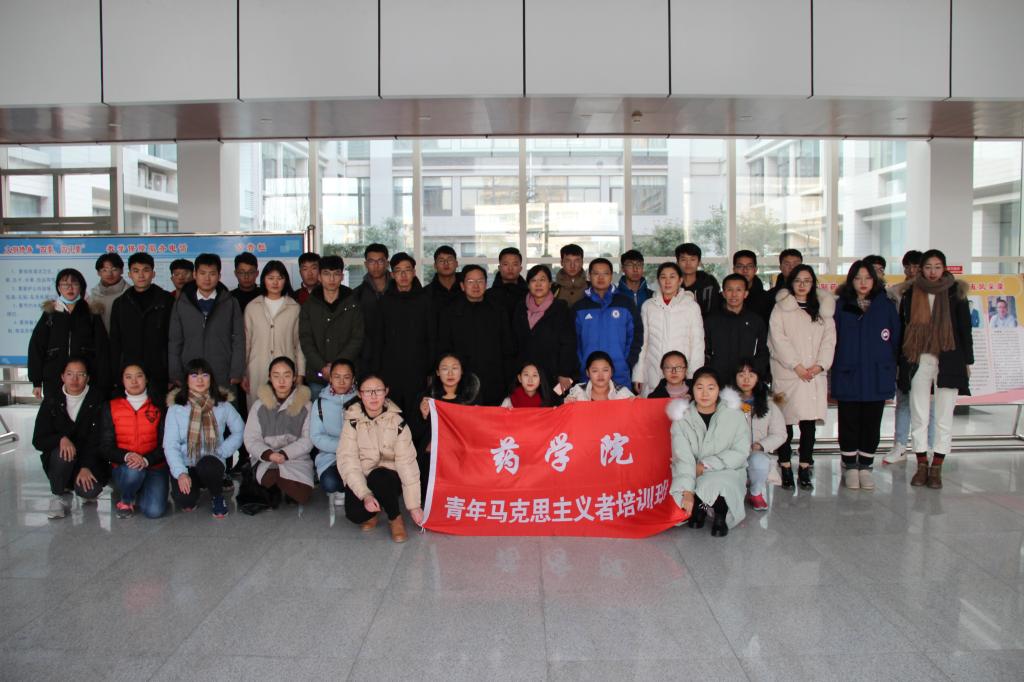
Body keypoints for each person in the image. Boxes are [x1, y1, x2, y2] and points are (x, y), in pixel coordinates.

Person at [898, 249, 972, 490]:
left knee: (943, 416)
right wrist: (900, 362)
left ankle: (937, 467)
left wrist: (967, 362)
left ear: (944, 268)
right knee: (919, 415)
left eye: (937, 267)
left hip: (949, 358)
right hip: (918, 358)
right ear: (921, 269)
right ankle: (921, 465)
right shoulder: (911, 292)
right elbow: (903, 328)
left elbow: (964, 329)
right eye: (928, 267)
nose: (932, 272)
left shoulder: (955, 292)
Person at [833, 261, 901, 491]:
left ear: (875, 280)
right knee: (848, 422)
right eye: (858, 278)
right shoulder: (841, 305)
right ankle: (850, 467)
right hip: (848, 374)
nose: (863, 283)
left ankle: (866, 467)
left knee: (872, 423)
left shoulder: (885, 305)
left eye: (868, 278)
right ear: (851, 280)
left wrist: (890, 367)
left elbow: (895, 340)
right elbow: (832, 339)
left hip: (876, 375)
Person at [768, 264, 836, 489]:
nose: (802, 285)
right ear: (791, 283)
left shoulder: (824, 310)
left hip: (813, 375)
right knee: (784, 423)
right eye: (798, 280)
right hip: (788, 373)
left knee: (809, 424)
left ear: (813, 283)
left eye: (807, 280)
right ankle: (785, 465)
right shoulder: (781, 308)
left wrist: (820, 366)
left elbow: (829, 341)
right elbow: (777, 339)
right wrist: (796, 366)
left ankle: (805, 467)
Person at [337, 374, 422, 543]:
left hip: (390, 477)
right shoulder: (352, 422)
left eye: (378, 390)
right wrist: (365, 495)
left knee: (380, 477)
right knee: (355, 514)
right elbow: (348, 461)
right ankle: (374, 509)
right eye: (368, 391)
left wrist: (414, 506)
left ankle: (395, 517)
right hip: (364, 476)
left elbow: (407, 463)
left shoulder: (398, 423)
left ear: (386, 392)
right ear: (360, 394)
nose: (374, 396)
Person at [668, 367, 749, 537]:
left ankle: (720, 513)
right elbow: (682, 457)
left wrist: (706, 465)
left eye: (711, 388)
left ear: (719, 390)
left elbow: (740, 452)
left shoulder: (734, 415)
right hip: (692, 472)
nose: (705, 393)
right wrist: (687, 491)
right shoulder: (682, 419)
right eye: (699, 387)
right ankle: (702, 507)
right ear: (692, 389)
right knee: (690, 495)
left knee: (719, 485)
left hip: (727, 470)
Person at [163, 358, 244, 518]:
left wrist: (222, 451)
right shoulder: (176, 408)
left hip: (212, 459)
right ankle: (192, 485)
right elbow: (170, 444)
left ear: (211, 379)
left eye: (204, 375)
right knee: (186, 502)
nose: (200, 380)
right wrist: (181, 473)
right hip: (186, 462)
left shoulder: (222, 405)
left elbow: (240, 430)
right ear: (186, 380)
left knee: (208, 466)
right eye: (194, 375)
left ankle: (217, 495)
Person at [32, 357, 108, 519]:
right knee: (63, 453)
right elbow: (38, 440)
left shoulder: (97, 399)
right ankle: (58, 495)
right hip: (61, 459)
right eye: (70, 374)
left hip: (88, 458)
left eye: (80, 374)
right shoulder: (52, 400)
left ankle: (76, 482)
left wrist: (86, 466)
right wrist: (60, 439)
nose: (74, 379)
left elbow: (98, 440)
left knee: (90, 491)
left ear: (87, 378)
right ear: (62, 377)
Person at [98, 364, 168, 519]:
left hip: (154, 465)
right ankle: (126, 499)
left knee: (154, 511)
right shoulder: (111, 406)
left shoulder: (159, 406)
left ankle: (140, 491)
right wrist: (127, 456)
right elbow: (105, 446)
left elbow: (166, 443)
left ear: (146, 379)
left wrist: (146, 459)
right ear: (122, 380)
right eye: (128, 377)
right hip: (125, 467)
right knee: (134, 472)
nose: (134, 381)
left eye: (139, 376)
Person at [437, 264, 514, 406]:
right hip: (462, 382)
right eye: (470, 281)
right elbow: (444, 348)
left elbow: (507, 348)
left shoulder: (498, 310)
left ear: (486, 284)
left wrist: (509, 383)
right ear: (462, 286)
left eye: (480, 281)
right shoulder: (449, 312)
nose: (476, 286)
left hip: (494, 380)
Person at [884, 249, 934, 463]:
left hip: (930, 353)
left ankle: (929, 446)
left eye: (916, 266)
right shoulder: (896, 293)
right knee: (904, 400)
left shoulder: (936, 293)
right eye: (908, 267)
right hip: (904, 353)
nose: (912, 271)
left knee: (929, 402)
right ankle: (900, 445)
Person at [167, 253, 244, 391]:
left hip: (222, 372)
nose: (207, 278)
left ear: (219, 276)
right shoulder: (182, 304)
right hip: (191, 372)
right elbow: (175, 341)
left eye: (212, 274)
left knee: (224, 404)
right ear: (195, 275)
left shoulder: (230, 303)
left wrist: (236, 371)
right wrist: (175, 372)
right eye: (202, 273)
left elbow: (239, 339)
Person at [244, 356, 314, 506]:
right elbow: (251, 439)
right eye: (276, 376)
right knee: (270, 480)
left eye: (287, 375)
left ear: (294, 378)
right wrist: (269, 454)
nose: (281, 381)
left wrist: (284, 454)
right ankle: (277, 488)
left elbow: (308, 439)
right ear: (270, 377)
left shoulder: (306, 405)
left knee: (301, 495)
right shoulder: (259, 406)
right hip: (267, 460)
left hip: (296, 459)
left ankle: (279, 489)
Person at [29, 268, 109, 400]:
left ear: (81, 287)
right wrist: (36, 381)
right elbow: (36, 347)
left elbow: (102, 348)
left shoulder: (91, 313)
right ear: (59, 288)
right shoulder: (50, 313)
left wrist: (104, 381)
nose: (69, 288)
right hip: (54, 377)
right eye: (65, 284)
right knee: (56, 410)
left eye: (74, 283)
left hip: (87, 376)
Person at [109, 252, 175, 402]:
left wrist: (172, 373)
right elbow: (115, 342)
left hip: (160, 371)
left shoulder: (167, 301)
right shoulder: (120, 304)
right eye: (136, 271)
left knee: (159, 410)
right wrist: (116, 374)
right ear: (129, 274)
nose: (141, 275)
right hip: (130, 373)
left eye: (146, 270)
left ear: (153, 273)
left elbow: (174, 339)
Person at [377, 253, 436, 416]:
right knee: (393, 414)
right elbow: (378, 338)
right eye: (398, 271)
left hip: (418, 369)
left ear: (414, 272)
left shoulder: (426, 300)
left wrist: (430, 369)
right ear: (392, 274)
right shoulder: (385, 301)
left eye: (407, 270)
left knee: (417, 413)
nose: (403, 275)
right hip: (391, 369)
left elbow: (432, 336)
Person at [633, 262, 703, 397]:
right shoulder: (648, 306)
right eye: (663, 277)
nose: (667, 281)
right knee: (654, 407)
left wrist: (694, 376)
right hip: (653, 372)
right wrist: (638, 374)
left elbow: (698, 344)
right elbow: (642, 343)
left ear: (680, 280)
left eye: (672, 277)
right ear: (658, 280)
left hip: (681, 376)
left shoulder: (691, 306)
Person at [298, 255, 363, 400]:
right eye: (327, 274)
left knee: (349, 412)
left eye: (336, 274)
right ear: (319, 277)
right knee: (318, 412)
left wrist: (336, 368)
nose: (332, 279)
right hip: (318, 375)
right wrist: (323, 367)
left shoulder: (353, 303)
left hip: (346, 376)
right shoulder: (309, 305)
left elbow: (357, 338)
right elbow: (306, 340)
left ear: (342, 276)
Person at [573, 258, 642, 388]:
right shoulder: (579, 307)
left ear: (611, 275)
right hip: (588, 375)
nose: (601, 277)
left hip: (620, 373)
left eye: (605, 273)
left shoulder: (625, 303)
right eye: (596, 273)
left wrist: (627, 362)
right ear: (589, 276)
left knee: (622, 402)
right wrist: (580, 364)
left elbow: (636, 336)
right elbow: (573, 341)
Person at [244, 260, 305, 407]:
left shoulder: (294, 307)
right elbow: (246, 343)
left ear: (285, 281)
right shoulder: (252, 307)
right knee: (258, 411)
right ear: (263, 280)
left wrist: (300, 373)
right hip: (257, 369)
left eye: (279, 278)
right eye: (271, 278)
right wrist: (243, 373)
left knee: (286, 410)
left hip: (286, 371)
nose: (275, 282)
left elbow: (299, 343)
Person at [513, 264, 577, 395]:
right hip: (527, 376)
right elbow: (515, 342)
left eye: (542, 280)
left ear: (550, 284)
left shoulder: (560, 308)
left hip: (553, 374)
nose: (538, 284)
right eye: (533, 280)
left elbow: (569, 343)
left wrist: (564, 373)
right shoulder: (520, 308)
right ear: (528, 285)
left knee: (552, 405)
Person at [732, 360, 786, 511]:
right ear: (734, 377)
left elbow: (780, 434)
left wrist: (762, 445)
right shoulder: (726, 403)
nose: (746, 379)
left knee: (759, 461)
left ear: (758, 378)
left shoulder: (769, 403)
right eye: (741, 375)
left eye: (751, 375)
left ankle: (756, 493)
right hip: (732, 453)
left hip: (755, 452)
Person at [704, 273, 769, 382]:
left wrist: (753, 372)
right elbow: (705, 350)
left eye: (739, 290)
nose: (734, 294)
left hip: (746, 381)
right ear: (723, 293)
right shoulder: (711, 320)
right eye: (729, 290)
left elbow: (763, 352)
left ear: (746, 294)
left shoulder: (756, 321)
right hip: (717, 380)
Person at [309, 358, 357, 505]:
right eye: (337, 377)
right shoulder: (319, 403)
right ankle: (344, 489)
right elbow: (316, 436)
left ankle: (351, 490)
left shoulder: (361, 401)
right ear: (330, 378)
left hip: (358, 457)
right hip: (331, 458)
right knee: (330, 482)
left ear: (353, 379)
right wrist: (344, 446)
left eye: (346, 377)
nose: (341, 382)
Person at [353, 243, 391, 372]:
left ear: (387, 263)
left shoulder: (398, 290)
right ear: (366, 264)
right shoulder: (357, 294)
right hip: (367, 357)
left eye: (380, 261)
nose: (376, 266)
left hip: (395, 354)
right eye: (371, 261)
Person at [564, 351, 634, 401]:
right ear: (587, 373)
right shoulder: (578, 391)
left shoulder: (623, 393)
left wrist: (635, 402)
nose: (600, 375)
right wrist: (569, 402)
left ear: (612, 372)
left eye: (605, 370)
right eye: (595, 371)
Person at [676, 243, 720, 317]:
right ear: (677, 263)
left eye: (692, 259)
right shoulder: (672, 284)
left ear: (699, 262)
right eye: (683, 259)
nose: (688, 263)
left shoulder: (709, 283)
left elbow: (715, 311)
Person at [487, 246, 528, 324]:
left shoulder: (529, 295)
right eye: (506, 264)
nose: (510, 268)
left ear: (520, 268)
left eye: (515, 264)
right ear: (499, 268)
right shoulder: (488, 295)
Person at [89, 252, 129, 331]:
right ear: (98, 273)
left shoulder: (130, 294)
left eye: (114, 269)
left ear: (122, 270)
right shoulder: (93, 296)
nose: (109, 274)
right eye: (104, 270)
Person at [733, 250, 772, 323]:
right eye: (740, 266)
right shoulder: (724, 298)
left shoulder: (767, 299)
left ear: (755, 269)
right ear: (734, 269)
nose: (745, 270)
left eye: (749, 266)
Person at [425, 245, 462, 320]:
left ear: (456, 264)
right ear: (435, 265)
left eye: (450, 260)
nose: (446, 263)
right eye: (441, 261)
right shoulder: (426, 294)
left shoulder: (467, 289)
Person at [766, 248, 803, 315]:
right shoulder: (770, 296)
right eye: (787, 264)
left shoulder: (813, 293)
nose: (792, 267)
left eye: (796, 264)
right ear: (780, 267)